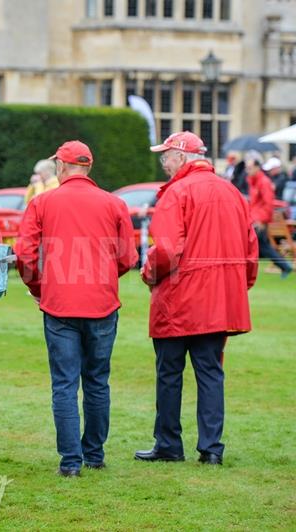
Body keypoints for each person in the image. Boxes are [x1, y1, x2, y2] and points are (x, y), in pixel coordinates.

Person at [14, 141, 137, 477]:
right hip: (101, 302)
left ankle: (71, 462)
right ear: (88, 167)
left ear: (62, 167)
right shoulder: (114, 203)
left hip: (60, 304)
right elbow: (128, 258)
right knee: (97, 381)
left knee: (65, 384)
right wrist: (105, 277)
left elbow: (24, 256)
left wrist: (40, 287)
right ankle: (93, 455)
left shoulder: (43, 202)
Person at [134, 131, 258, 466]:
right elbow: (250, 251)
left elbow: (167, 250)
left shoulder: (178, 192)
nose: (163, 162)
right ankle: (211, 448)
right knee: (210, 373)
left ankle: (169, 444)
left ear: (182, 156)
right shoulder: (232, 192)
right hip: (217, 300)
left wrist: (148, 273)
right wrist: (239, 285)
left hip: (179, 299)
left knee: (170, 374)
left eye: (166, 156)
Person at [247, 154, 292, 278]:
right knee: (263, 246)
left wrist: (261, 220)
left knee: (260, 246)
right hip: (255, 219)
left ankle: (285, 267)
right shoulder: (255, 181)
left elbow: (268, 203)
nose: (248, 170)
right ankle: (285, 267)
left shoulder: (263, 182)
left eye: (250, 168)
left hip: (259, 220)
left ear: (257, 167)